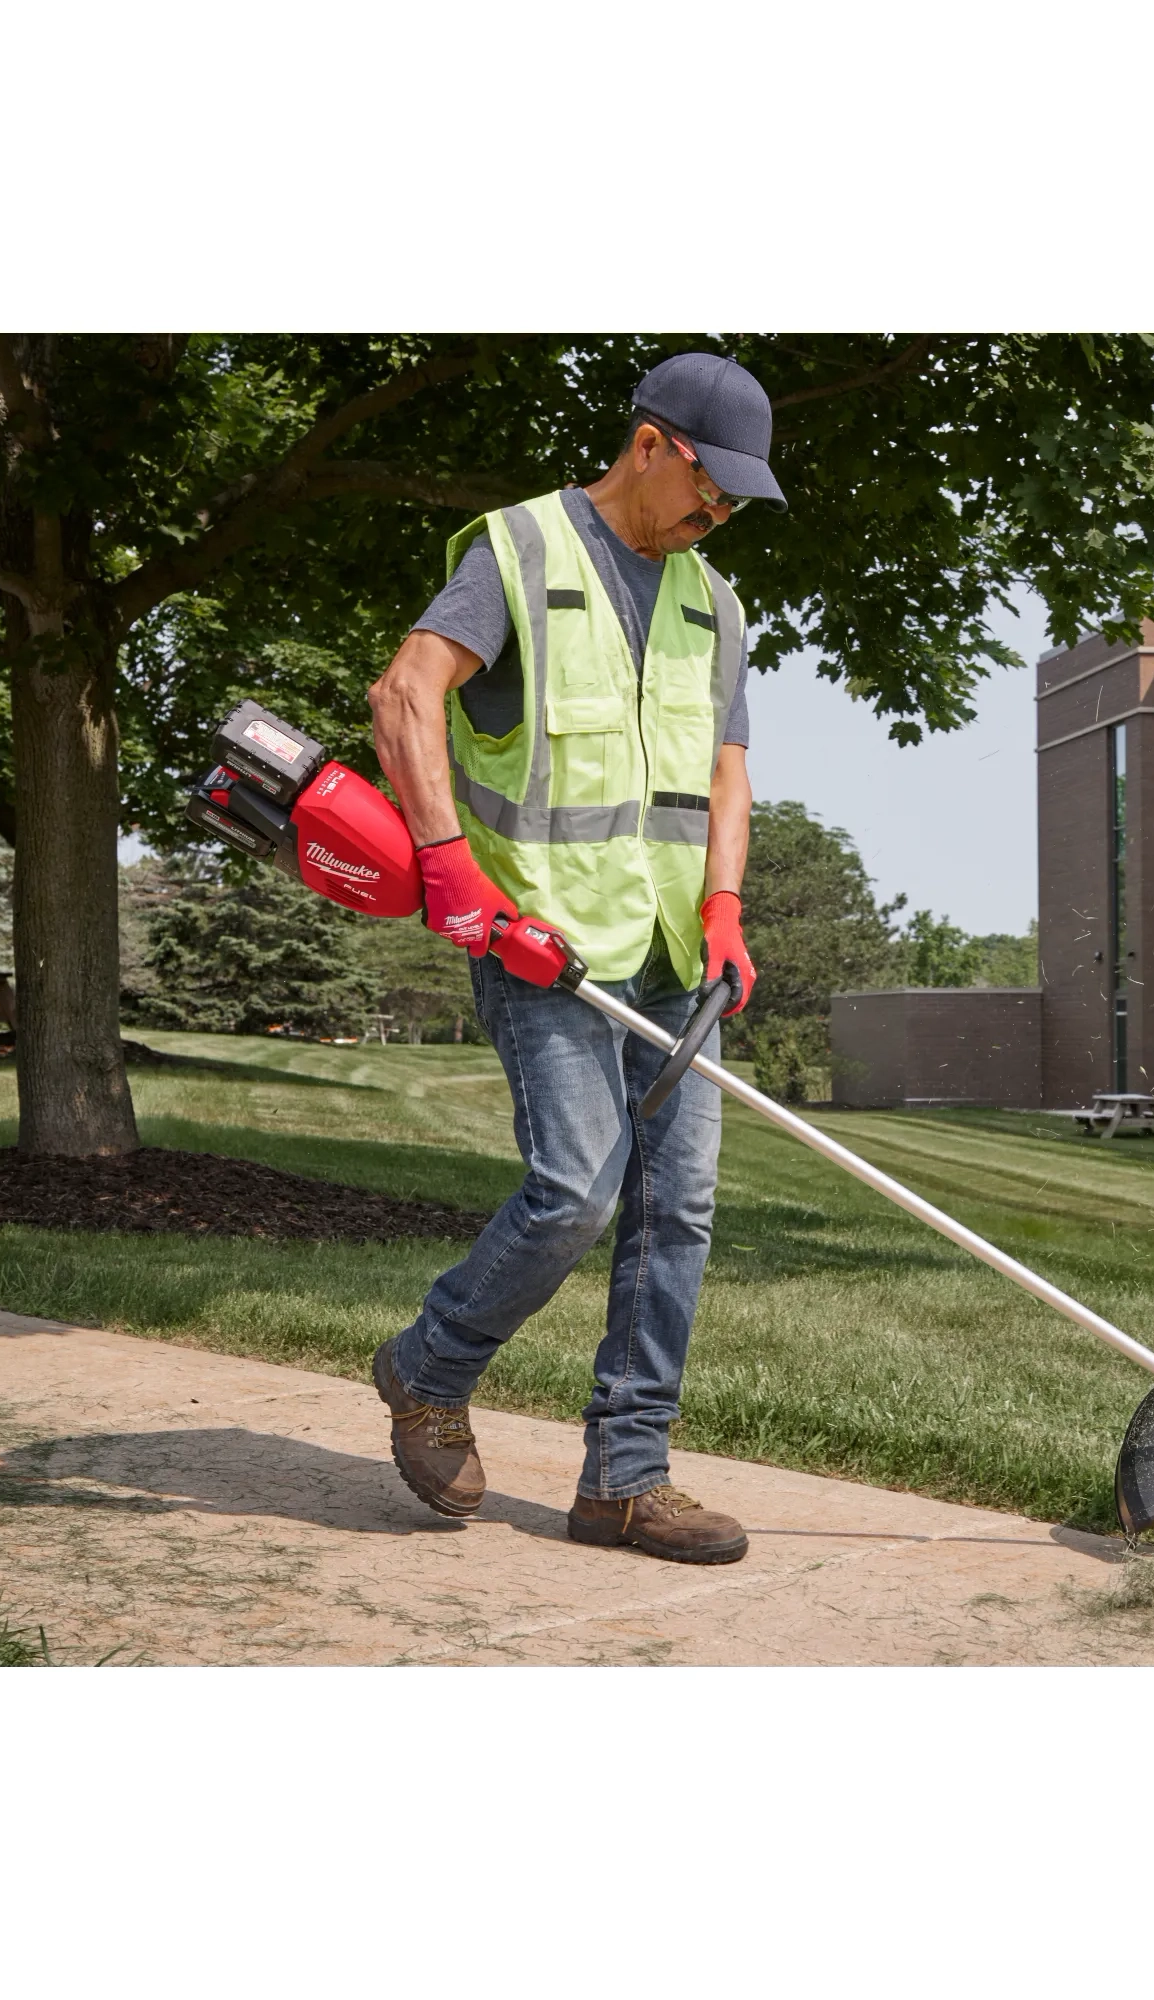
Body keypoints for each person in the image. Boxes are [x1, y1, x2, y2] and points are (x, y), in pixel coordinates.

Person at [364, 353, 782, 1565]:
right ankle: (428, 1367)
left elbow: (726, 770)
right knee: (577, 1189)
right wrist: (447, 860)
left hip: (668, 948)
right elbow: (406, 693)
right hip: (538, 934)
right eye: (709, 486)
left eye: (736, 500)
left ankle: (625, 1480)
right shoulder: (518, 551)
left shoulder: (715, 600)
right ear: (649, 445)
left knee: (677, 1213)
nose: (718, 513)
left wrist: (724, 904)